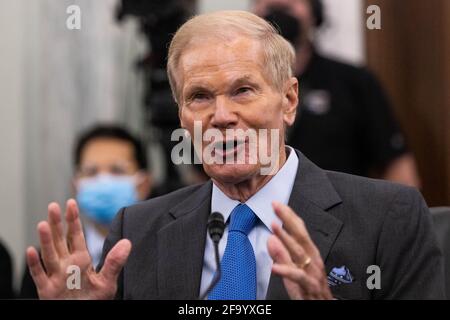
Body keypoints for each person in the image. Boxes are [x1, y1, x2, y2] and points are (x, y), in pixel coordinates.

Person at [25, 11, 444, 300]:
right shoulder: (135, 231)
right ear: (183, 116)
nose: (221, 116)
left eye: (243, 90)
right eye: (200, 97)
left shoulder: (389, 216)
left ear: (289, 99)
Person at [253, 0, 421, 187]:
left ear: (315, 12)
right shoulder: (233, 88)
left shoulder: (354, 82)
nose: (277, 4)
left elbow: (398, 167)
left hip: (340, 212)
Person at [19, 124, 152, 298]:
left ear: (144, 185)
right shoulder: (48, 263)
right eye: (91, 172)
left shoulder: (166, 254)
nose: (103, 181)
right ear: (76, 186)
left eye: (117, 170)